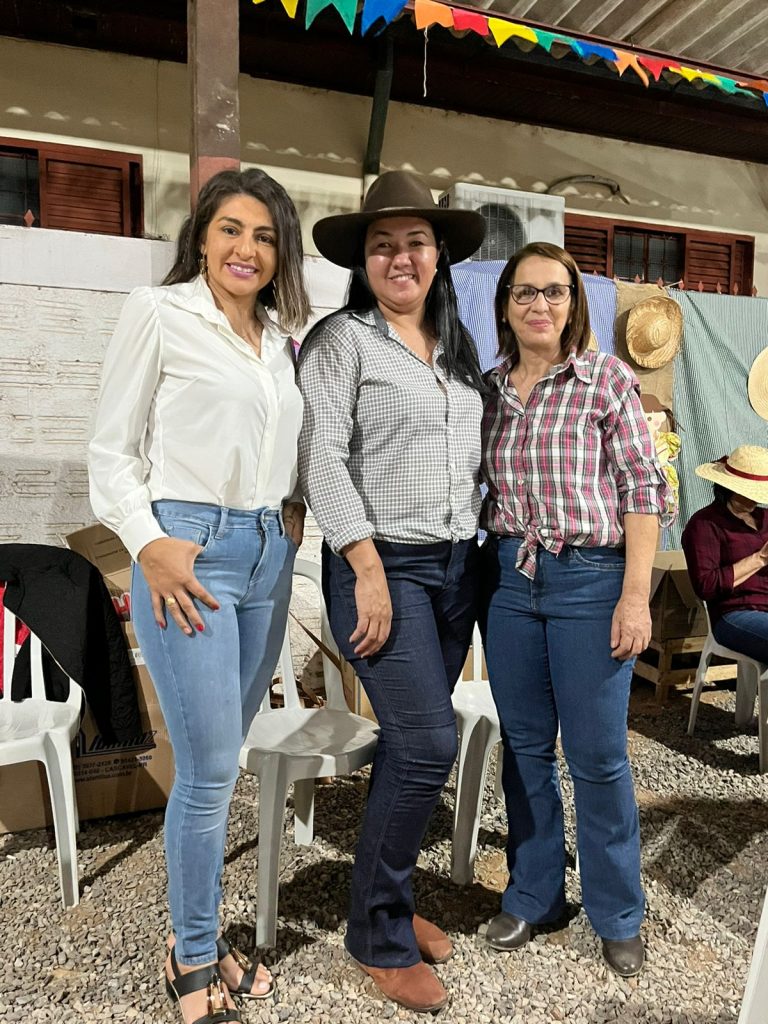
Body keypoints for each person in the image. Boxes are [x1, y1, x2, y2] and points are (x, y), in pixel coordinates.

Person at [88, 168, 310, 1024]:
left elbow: (275, 442)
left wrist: (289, 508)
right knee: (213, 769)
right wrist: (147, 545)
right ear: (202, 237)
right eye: (229, 230)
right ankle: (189, 952)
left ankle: (204, 935)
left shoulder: (282, 339)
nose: (245, 249)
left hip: (266, 553)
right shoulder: (159, 312)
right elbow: (110, 451)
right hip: (191, 552)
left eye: (262, 235)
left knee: (228, 756)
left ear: (279, 249)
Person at [297, 170, 486, 1013]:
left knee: (411, 752)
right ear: (363, 262)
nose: (399, 256)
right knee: (427, 744)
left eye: (413, 241)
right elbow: (321, 458)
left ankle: (394, 906)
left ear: (438, 254)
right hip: (386, 569)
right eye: (382, 245)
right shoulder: (343, 342)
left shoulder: (459, 352)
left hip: (456, 569)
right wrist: (365, 567)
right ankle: (375, 933)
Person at [480, 241, 672, 978]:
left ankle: (618, 911)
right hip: (510, 582)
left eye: (553, 292)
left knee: (596, 757)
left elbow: (644, 491)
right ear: (505, 304)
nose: (539, 305)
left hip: (592, 582)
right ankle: (534, 894)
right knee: (525, 750)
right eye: (525, 292)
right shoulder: (490, 389)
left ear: (572, 304)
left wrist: (634, 597)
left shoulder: (604, 380)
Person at [681, 446, 768, 662]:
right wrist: (760, 558)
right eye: (747, 492)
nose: (753, 499)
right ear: (728, 488)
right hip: (735, 613)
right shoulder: (704, 524)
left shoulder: (765, 517)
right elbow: (706, 586)